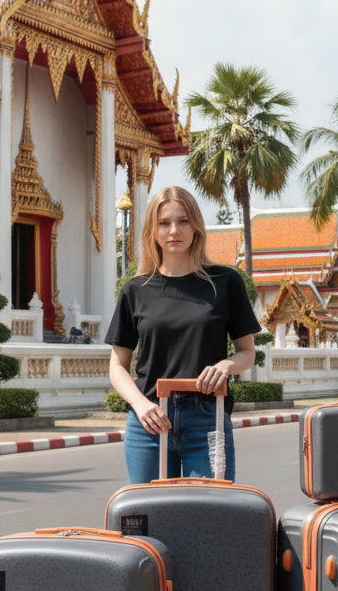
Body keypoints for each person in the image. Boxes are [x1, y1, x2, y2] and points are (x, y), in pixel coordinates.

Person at [106, 185, 260, 484]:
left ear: (196, 227)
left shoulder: (225, 282)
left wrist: (226, 366)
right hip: (148, 421)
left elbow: (247, 352)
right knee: (147, 518)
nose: (174, 230)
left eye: (183, 221)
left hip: (207, 418)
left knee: (208, 515)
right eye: (164, 223)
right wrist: (140, 405)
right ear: (153, 230)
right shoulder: (135, 289)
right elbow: (117, 366)